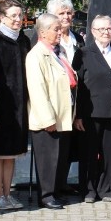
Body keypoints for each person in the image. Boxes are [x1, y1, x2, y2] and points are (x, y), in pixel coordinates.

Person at [75, 15, 111, 203]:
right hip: (91, 113)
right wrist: (79, 115)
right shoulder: (83, 53)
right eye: (101, 29)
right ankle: (89, 190)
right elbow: (79, 87)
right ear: (93, 32)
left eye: (108, 29)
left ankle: (107, 189)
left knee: (110, 154)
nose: (105, 33)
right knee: (89, 153)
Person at [26, 13, 78, 210]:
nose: (59, 32)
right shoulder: (36, 55)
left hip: (62, 115)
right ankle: (46, 195)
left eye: (59, 28)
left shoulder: (58, 52)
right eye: (55, 29)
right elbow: (37, 89)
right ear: (42, 32)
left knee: (59, 157)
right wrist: (48, 118)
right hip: (47, 119)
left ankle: (55, 191)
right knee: (47, 159)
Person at [0, 0, 31, 210]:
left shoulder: (24, 40)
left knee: (12, 152)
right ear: (2, 17)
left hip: (20, 105)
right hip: (0, 105)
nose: (18, 20)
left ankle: (8, 193)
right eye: (13, 16)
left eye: (20, 15)